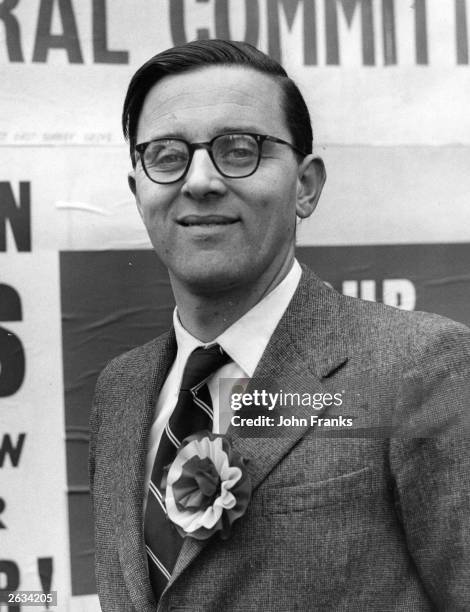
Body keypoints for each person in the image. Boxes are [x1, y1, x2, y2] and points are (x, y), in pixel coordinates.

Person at [89, 39, 470, 611]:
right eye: (167, 155)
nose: (199, 181)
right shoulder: (120, 392)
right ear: (138, 190)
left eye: (239, 150)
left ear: (307, 186)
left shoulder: (416, 367)